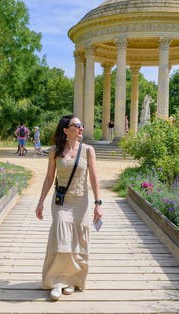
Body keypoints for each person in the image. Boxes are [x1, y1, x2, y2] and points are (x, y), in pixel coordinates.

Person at [35, 115, 103, 301]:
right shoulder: (55, 151)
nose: (81, 128)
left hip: (81, 201)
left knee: (76, 241)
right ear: (66, 130)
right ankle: (56, 281)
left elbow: (94, 178)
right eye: (77, 125)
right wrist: (40, 201)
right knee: (61, 237)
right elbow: (49, 177)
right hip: (61, 201)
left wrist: (98, 204)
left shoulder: (88, 150)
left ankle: (72, 280)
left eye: (82, 125)